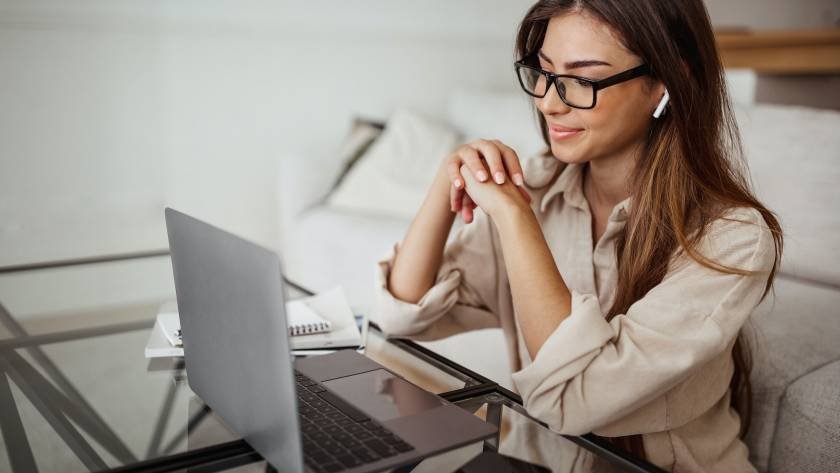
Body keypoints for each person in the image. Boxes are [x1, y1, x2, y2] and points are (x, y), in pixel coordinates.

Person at [372, 0, 783, 471]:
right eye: (543, 72)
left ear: (666, 82)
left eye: (583, 79)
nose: (548, 101)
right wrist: (450, 177)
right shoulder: (541, 190)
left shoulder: (731, 238)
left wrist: (514, 217)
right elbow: (402, 315)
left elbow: (571, 399)